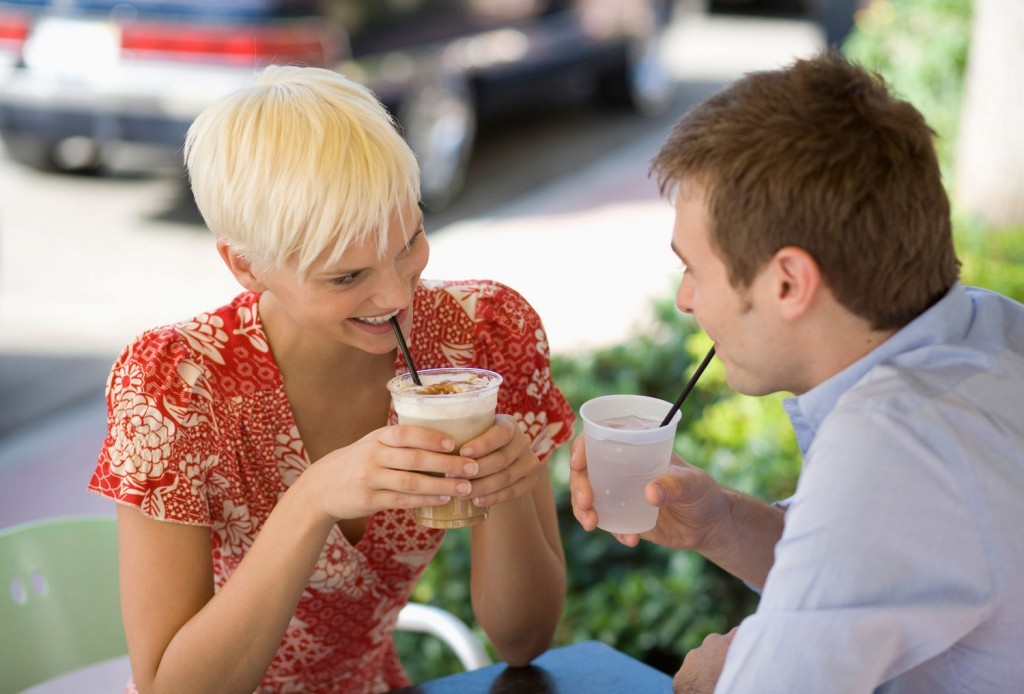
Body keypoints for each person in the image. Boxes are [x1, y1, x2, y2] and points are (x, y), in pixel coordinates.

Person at [89, 65, 574, 693]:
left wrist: (508, 482)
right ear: (246, 266)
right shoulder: (175, 384)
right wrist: (313, 498)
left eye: (411, 241)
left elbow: (523, 641)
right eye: (346, 277)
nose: (399, 294)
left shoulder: (484, 333)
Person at [569, 51, 1024, 692]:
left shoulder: (894, 447)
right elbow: (874, 563)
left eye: (694, 269)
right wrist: (722, 521)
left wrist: (716, 682)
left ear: (788, 283)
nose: (685, 299)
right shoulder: (996, 331)